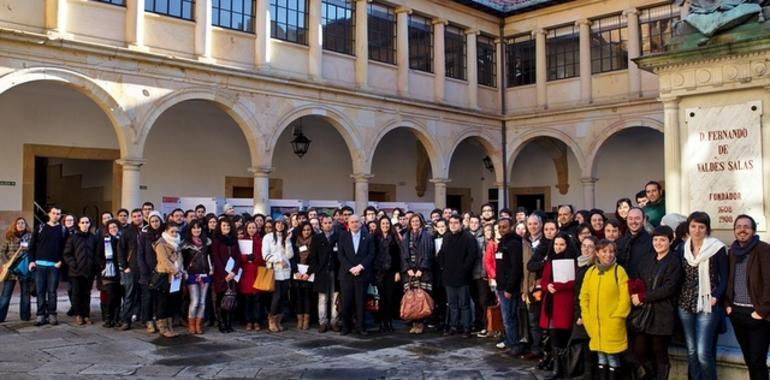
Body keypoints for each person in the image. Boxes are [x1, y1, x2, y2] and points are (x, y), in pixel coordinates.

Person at [678, 211, 728, 380]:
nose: (697, 230)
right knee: (691, 351)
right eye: (693, 226)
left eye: (701, 227)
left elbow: (725, 277)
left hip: (708, 303)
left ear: (707, 229)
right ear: (688, 227)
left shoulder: (716, 248)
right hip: (685, 304)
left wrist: (716, 297)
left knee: (702, 352)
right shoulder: (683, 248)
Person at [632, 225, 682, 380]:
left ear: (670, 241)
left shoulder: (674, 261)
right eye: (655, 239)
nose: (658, 243)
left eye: (662, 240)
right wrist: (635, 293)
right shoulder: (647, 259)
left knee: (659, 351)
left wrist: (643, 297)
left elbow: (668, 288)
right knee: (639, 349)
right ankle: (651, 375)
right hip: (644, 312)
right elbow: (638, 279)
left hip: (663, 313)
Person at [725, 215, 770, 380]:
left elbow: (769, 281)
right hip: (737, 313)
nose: (742, 229)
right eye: (738, 226)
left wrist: (762, 311)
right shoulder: (732, 251)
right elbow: (727, 279)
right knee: (749, 359)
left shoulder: (763, 249)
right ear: (734, 230)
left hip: (757, 315)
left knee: (757, 360)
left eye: (746, 226)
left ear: (753, 230)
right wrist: (727, 305)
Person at [580, 239, 631, 380]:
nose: (608, 255)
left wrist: (619, 316)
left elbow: (625, 297)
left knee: (612, 357)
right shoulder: (590, 272)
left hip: (612, 323)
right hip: (595, 323)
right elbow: (584, 296)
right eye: (604, 251)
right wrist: (586, 315)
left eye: (611, 251)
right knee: (601, 356)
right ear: (597, 253)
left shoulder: (619, 271)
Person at [539, 232, 578, 380]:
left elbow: (574, 282)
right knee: (553, 336)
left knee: (563, 337)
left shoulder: (573, 261)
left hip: (564, 304)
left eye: (561, 244)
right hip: (551, 303)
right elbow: (543, 281)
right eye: (556, 244)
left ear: (567, 245)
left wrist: (558, 286)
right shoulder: (550, 261)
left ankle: (565, 369)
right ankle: (557, 369)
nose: (558, 247)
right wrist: (547, 286)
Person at [437, 215, 478, 337]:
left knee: (464, 304)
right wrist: (443, 266)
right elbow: (441, 253)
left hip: (463, 276)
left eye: (456, 223)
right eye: (451, 223)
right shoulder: (447, 236)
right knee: (452, 304)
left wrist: (464, 269)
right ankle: (454, 326)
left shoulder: (468, 237)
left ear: (461, 224)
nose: (453, 225)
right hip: (449, 276)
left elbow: (472, 255)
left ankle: (466, 328)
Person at [28, 207, 67, 326]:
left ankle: (52, 314)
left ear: (60, 216)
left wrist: (61, 261)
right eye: (54, 213)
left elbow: (66, 248)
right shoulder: (40, 228)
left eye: (58, 214)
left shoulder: (63, 229)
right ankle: (40, 315)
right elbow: (32, 245)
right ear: (49, 214)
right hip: (39, 265)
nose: (56, 215)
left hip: (54, 266)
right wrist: (31, 261)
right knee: (40, 291)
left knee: (52, 292)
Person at [337, 214, 375, 335]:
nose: (354, 224)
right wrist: (351, 268)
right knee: (346, 302)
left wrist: (360, 267)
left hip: (362, 274)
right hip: (346, 275)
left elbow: (371, 254)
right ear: (348, 224)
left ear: (361, 223)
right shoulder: (342, 237)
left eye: (356, 222)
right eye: (352, 222)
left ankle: (360, 327)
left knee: (361, 302)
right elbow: (340, 255)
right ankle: (346, 327)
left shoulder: (368, 237)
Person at [493, 217, 525, 353]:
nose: (501, 229)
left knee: (509, 317)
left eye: (504, 227)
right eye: (499, 227)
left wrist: (509, 288)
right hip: (501, 285)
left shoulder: (513, 243)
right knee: (506, 317)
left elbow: (515, 268)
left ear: (511, 227)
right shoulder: (502, 242)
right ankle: (509, 340)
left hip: (509, 288)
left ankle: (515, 345)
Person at [400, 214, 434, 334]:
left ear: (421, 222)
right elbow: (403, 254)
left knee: (422, 298)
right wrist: (407, 268)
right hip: (409, 272)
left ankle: (421, 323)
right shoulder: (406, 236)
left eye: (417, 221)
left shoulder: (427, 235)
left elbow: (429, 253)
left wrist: (422, 269)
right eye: (412, 221)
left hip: (423, 272)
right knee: (412, 299)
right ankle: (414, 323)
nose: (415, 223)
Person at [63, 216, 98, 326]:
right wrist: (74, 264)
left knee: (86, 294)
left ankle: (86, 315)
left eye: (87, 222)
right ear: (79, 224)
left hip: (89, 272)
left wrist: (94, 266)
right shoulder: (73, 238)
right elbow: (67, 254)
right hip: (76, 272)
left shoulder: (93, 238)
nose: (85, 224)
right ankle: (78, 315)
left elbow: (96, 254)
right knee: (76, 293)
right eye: (82, 222)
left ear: (89, 224)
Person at [309, 214, 340, 333]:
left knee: (335, 298)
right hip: (322, 273)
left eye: (330, 222)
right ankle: (322, 322)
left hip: (335, 272)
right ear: (321, 225)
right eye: (325, 223)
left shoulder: (338, 237)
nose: (328, 225)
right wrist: (316, 269)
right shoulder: (317, 238)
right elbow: (313, 257)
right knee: (322, 298)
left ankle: (334, 322)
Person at [154, 222, 185, 338]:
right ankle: (163, 327)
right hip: (164, 276)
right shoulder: (161, 243)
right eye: (172, 231)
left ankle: (170, 326)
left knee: (172, 302)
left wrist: (181, 270)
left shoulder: (178, 242)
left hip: (176, 277)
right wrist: (175, 271)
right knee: (163, 302)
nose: (174, 234)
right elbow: (163, 260)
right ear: (166, 231)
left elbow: (181, 258)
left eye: (176, 231)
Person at [181, 220, 212, 335]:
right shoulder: (185, 243)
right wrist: (184, 272)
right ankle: (191, 324)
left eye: (198, 228)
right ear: (190, 230)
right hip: (191, 274)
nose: (196, 230)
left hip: (205, 274)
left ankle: (199, 325)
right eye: (194, 228)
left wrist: (211, 268)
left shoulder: (207, 242)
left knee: (203, 302)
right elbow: (182, 261)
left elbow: (210, 257)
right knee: (194, 301)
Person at [572, 236, 597, 379]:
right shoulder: (580, 263)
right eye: (584, 246)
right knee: (585, 342)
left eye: (590, 246)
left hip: (587, 311)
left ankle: (589, 374)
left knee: (589, 342)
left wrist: (581, 314)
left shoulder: (592, 267)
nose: (586, 249)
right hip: (579, 308)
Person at [210, 218, 241, 333]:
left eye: (228, 226)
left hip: (232, 275)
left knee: (231, 299)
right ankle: (221, 323)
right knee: (220, 299)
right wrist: (225, 274)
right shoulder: (216, 240)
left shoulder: (234, 239)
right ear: (220, 227)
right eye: (224, 226)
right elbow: (216, 258)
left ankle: (229, 323)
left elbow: (238, 256)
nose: (226, 228)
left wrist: (234, 272)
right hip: (220, 275)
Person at [262, 218, 293, 332]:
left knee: (283, 297)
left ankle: (278, 320)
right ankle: (271, 319)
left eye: (282, 224)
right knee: (277, 296)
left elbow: (289, 255)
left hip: (286, 272)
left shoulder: (286, 237)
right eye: (278, 223)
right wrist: (279, 260)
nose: (280, 225)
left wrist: (288, 241)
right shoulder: (268, 237)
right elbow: (265, 255)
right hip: (274, 270)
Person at [521, 213, 545, 359]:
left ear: (541, 225)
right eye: (529, 224)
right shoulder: (524, 242)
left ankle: (543, 349)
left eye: (535, 223)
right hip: (528, 287)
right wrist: (523, 289)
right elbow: (523, 267)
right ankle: (536, 348)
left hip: (541, 286)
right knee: (532, 319)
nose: (532, 226)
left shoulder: (546, 241)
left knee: (541, 318)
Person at [0, 217, 33, 322]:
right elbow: (2, 252)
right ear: (15, 225)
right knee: (6, 294)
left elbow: (33, 250)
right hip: (11, 269)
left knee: (25, 293)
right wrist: (7, 263)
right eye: (18, 223)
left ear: (25, 225)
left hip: (23, 269)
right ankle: (1, 316)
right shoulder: (9, 237)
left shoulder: (30, 237)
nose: (21, 224)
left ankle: (25, 316)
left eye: (23, 223)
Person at [373, 216, 401, 333]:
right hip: (378, 272)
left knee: (389, 298)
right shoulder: (374, 238)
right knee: (381, 298)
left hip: (391, 272)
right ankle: (381, 322)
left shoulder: (395, 238)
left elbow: (399, 256)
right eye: (383, 223)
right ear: (380, 225)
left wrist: (398, 271)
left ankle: (388, 322)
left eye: (387, 224)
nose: (385, 225)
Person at [117, 208, 143, 331]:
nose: (137, 218)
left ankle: (143, 318)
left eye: (139, 216)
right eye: (135, 216)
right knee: (129, 295)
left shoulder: (147, 230)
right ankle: (126, 320)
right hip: (131, 268)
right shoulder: (127, 232)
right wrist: (125, 266)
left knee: (144, 295)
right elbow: (120, 250)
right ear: (132, 218)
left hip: (145, 269)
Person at [138, 211, 163, 334]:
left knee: (159, 298)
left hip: (161, 272)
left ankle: (158, 319)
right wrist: (144, 271)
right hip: (147, 273)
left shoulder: (164, 234)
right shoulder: (143, 236)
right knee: (147, 298)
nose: (154, 223)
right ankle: (148, 320)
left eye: (157, 221)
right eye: (152, 221)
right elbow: (140, 255)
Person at [238, 221, 264, 332]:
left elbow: (263, 256)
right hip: (246, 272)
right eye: (249, 227)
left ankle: (257, 321)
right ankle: (248, 321)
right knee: (247, 299)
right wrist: (246, 257)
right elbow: (238, 256)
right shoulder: (242, 241)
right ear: (246, 229)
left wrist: (256, 258)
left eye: (254, 227)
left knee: (257, 299)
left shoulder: (260, 241)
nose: (252, 229)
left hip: (257, 271)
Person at [97, 220, 121, 328]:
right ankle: (108, 318)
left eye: (115, 227)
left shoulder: (121, 239)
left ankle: (116, 318)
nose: (113, 229)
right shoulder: (104, 240)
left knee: (118, 296)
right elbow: (97, 256)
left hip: (120, 271)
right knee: (111, 296)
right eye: (111, 227)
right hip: (108, 272)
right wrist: (103, 265)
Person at [617, 207, 652, 279]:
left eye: (637, 218)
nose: (633, 221)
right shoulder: (618, 242)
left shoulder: (651, 242)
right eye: (630, 219)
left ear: (643, 220)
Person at [291, 222, 314, 330]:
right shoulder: (295, 241)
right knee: (298, 298)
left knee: (308, 297)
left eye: (308, 229)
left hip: (309, 273)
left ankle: (306, 320)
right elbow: (292, 258)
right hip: (297, 273)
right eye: (304, 230)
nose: (306, 232)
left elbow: (315, 259)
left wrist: (308, 273)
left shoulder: (314, 241)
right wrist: (296, 271)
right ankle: (299, 320)